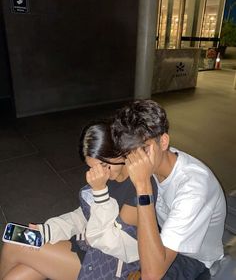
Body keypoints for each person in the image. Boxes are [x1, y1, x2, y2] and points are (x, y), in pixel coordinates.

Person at [0, 120, 157, 280]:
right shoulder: (108, 178)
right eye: (93, 167)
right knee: (16, 274)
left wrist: (100, 193)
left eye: (104, 164)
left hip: (112, 264)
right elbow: (83, 215)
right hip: (87, 246)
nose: (102, 172)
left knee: (14, 246)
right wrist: (47, 231)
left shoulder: (139, 185)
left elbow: (117, 245)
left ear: (120, 150)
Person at [111, 99, 226, 280]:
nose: (136, 161)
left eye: (143, 149)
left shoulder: (193, 188)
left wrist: (143, 187)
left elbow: (152, 275)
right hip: (162, 233)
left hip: (192, 258)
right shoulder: (153, 160)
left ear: (163, 142)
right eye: (129, 153)